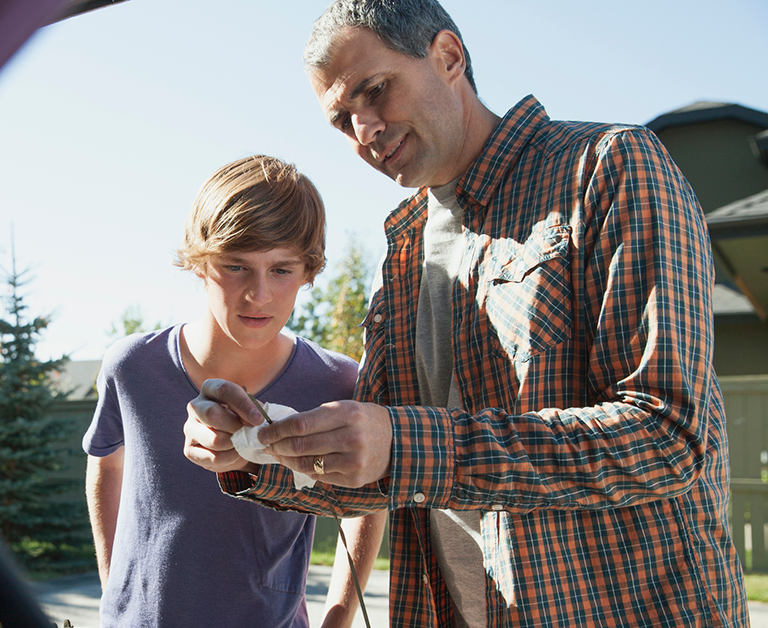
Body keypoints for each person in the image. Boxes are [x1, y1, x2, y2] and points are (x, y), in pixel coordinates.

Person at [182, 2, 750, 627]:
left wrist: (408, 444)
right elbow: (381, 476)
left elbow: (668, 438)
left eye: (375, 91)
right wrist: (259, 453)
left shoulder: (609, 167)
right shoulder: (403, 250)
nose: (364, 128)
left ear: (448, 57)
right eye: (342, 119)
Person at [84, 154, 387, 628]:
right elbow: (107, 464)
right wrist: (114, 594)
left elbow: (367, 501)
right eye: (236, 266)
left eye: (282, 270)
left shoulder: (338, 383)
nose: (259, 295)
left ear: (309, 271)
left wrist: (339, 616)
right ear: (199, 262)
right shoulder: (131, 366)